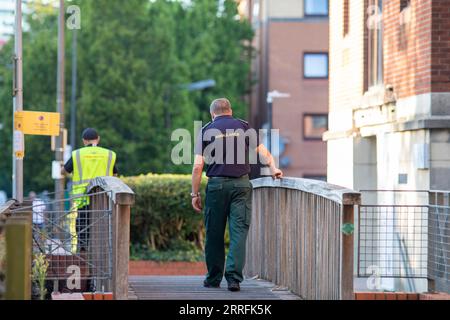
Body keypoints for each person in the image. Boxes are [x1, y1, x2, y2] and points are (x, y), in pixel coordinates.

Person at [191, 98, 283, 292]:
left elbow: (198, 166)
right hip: (241, 185)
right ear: (230, 111)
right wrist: (273, 168)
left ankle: (214, 278)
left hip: (216, 187)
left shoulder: (206, 130)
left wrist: (194, 193)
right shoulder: (243, 126)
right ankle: (233, 279)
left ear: (212, 114)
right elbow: (264, 153)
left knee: (214, 233)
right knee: (239, 232)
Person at [62, 128, 118, 252]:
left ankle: (83, 251)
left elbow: (64, 171)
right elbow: (115, 175)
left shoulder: (77, 154)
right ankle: (103, 251)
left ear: (84, 141)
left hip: (84, 199)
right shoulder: (109, 154)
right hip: (103, 199)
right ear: (98, 139)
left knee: (82, 224)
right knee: (102, 226)